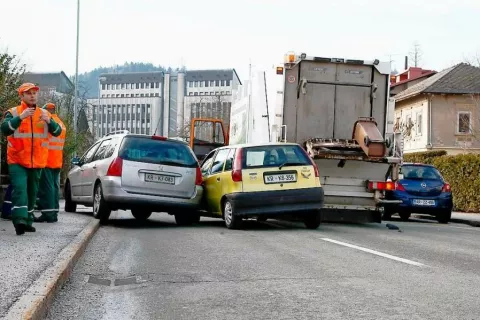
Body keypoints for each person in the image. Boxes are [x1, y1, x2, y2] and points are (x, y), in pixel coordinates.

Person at [1, 83, 62, 235]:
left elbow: (57, 131)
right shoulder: (13, 113)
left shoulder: (43, 114)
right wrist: (20, 118)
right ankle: (19, 220)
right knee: (20, 189)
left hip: (38, 161)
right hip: (17, 160)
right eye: (28, 93)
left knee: (32, 192)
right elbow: (4, 129)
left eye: (34, 92)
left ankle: (28, 219)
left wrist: (49, 120)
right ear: (21, 96)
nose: (32, 95)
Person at [35, 103, 66, 223]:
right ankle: (53, 212)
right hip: (57, 160)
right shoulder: (61, 124)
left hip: (47, 159)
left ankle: (48, 213)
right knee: (54, 187)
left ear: (48, 111)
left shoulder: (48, 123)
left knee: (46, 188)